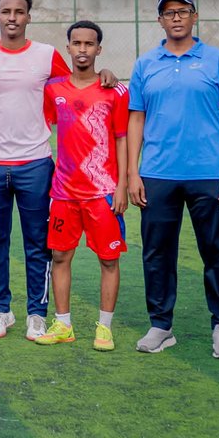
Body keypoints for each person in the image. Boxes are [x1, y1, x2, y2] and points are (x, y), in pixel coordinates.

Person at [127, 0, 219, 359]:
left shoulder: (217, 60)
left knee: (216, 252)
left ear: (195, 16)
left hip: (209, 172)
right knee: (157, 253)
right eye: (168, 13)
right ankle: (161, 325)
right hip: (158, 174)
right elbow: (136, 119)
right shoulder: (146, 64)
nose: (176, 18)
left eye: (182, 11)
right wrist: (133, 171)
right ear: (159, 21)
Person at [0, 0, 76, 340]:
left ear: (29, 17)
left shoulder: (46, 55)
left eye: (19, 11)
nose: (13, 17)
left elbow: (73, 88)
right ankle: (1, 311)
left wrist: (105, 74)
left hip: (35, 162)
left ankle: (37, 312)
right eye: (6, 11)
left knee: (38, 242)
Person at [37, 21, 129, 351]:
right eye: (76, 43)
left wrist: (122, 185)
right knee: (60, 257)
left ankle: (104, 328)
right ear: (68, 48)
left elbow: (122, 139)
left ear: (98, 50)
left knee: (109, 260)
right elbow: (38, 126)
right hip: (63, 192)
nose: (82, 49)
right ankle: (63, 325)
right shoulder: (54, 90)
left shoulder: (114, 91)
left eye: (89, 44)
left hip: (102, 192)